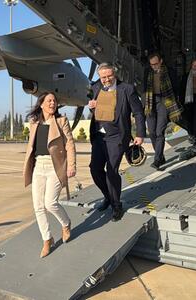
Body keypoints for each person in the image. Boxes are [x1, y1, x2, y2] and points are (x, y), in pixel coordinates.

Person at [88, 63, 145, 222]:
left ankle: (116, 205)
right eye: (103, 77)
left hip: (117, 136)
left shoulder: (127, 89)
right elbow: (97, 109)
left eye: (109, 76)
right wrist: (91, 107)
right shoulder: (96, 87)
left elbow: (138, 113)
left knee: (112, 170)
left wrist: (140, 134)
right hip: (99, 135)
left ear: (115, 74)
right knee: (95, 169)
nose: (106, 80)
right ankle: (108, 196)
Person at [23, 92, 76, 258]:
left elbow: (69, 144)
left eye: (54, 101)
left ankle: (66, 223)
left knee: (50, 203)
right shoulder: (34, 122)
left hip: (55, 166)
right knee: (38, 206)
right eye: (49, 100)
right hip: (39, 166)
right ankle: (47, 239)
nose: (52, 103)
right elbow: (32, 146)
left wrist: (71, 166)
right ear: (41, 104)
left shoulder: (61, 121)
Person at [143, 53, 181, 170]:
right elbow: (144, 88)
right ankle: (161, 156)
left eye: (155, 64)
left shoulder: (169, 71)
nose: (154, 66)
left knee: (159, 132)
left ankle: (157, 159)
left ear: (161, 61)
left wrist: (173, 102)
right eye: (152, 64)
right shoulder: (147, 72)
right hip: (150, 102)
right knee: (152, 132)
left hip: (164, 101)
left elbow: (176, 87)